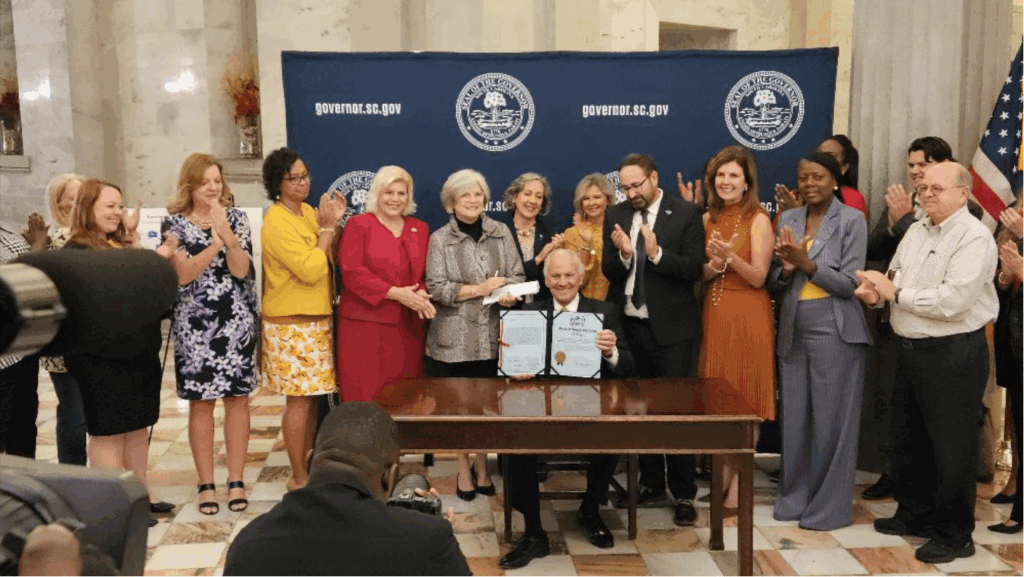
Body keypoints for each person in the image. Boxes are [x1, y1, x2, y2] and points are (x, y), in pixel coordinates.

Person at [854, 161, 998, 563]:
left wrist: (894, 293)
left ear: (963, 194)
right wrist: (875, 294)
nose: (927, 193)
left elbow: (953, 302)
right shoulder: (916, 229)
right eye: (924, 188)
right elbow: (895, 277)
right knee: (909, 438)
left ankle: (954, 534)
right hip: (911, 348)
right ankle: (915, 514)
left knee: (953, 448)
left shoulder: (974, 238)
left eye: (938, 187)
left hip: (954, 353)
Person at [499, 249, 634, 569]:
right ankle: (534, 532)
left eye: (568, 275)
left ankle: (590, 509)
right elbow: (508, 360)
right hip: (539, 407)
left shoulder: (604, 312)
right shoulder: (529, 313)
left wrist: (611, 350)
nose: (562, 282)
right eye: (555, 276)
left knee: (612, 432)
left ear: (581, 277)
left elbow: (628, 367)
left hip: (588, 405)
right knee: (513, 441)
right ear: (545, 280)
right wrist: (517, 367)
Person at [223, 403, 471, 576]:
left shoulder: (249, 542)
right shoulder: (428, 540)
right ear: (390, 477)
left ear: (309, 463)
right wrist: (426, 530)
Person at [62, 179, 177, 524]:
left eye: (119, 205)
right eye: (109, 206)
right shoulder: (75, 254)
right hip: (100, 359)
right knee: (108, 431)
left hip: (138, 352)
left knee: (138, 426)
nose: (118, 212)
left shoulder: (120, 247)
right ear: (88, 209)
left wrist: (135, 245)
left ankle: (139, 496)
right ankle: (115, 505)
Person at [769, 152, 871, 530]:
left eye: (818, 177)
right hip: (794, 325)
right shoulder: (789, 218)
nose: (810, 184)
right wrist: (788, 269)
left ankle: (828, 508)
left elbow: (850, 283)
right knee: (795, 419)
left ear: (834, 181)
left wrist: (808, 264)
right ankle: (794, 499)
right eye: (803, 177)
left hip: (835, 325)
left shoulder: (852, 220)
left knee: (831, 422)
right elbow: (775, 280)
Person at [602, 153, 704, 526]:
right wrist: (626, 256)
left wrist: (656, 253)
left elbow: (693, 268)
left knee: (675, 415)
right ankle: (651, 484)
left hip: (673, 333)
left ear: (654, 178)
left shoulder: (687, 213)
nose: (631, 193)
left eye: (637, 185)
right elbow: (608, 270)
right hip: (630, 329)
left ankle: (683, 493)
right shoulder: (616, 215)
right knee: (637, 411)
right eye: (625, 187)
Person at [859, 136, 956, 501]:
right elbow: (875, 249)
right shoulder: (903, 202)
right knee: (891, 404)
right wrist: (895, 222)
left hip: (938, 333)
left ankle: (929, 490)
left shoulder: (965, 211)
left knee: (930, 414)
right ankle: (891, 473)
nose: (916, 172)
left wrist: (901, 222)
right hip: (894, 319)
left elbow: (934, 259)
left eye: (924, 164)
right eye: (912, 165)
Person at [161, 153, 257, 514]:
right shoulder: (174, 224)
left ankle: (235, 480)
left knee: (237, 399)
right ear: (191, 186)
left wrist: (229, 236)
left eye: (217, 180)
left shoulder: (237, 218)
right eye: (206, 182)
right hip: (194, 325)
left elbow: (242, 269)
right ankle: (205, 483)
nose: (214, 188)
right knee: (201, 403)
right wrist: (214, 242)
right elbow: (183, 275)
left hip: (234, 322)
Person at [424, 168, 524, 500]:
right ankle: (463, 468)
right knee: (457, 410)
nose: (472, 200)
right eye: (465, 194)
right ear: (452, 201)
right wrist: (480, 288)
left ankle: (483, 465)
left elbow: (516, 274)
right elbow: (436, 288)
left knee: (486, 409)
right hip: (453, 341)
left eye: (477, 194)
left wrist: (508, 293)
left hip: (494, 338)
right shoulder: (439, 239)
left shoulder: (501, 232)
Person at [260, 147, 346, 491]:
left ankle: (306, 466)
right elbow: (311, 270)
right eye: (293, 178)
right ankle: (297, 476)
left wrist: (333, 225)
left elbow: (330, 260)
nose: (302, 182)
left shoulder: (308, 213)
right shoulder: (275, 221)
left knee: (310, 400)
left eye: (305, 175)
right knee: (297, 401)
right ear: (276, 184)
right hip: (291, 323)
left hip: (316, 318)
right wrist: (326, 231)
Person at [698, 145, 776, 509]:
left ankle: (737, 488)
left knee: (746, 401)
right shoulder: (707, 219)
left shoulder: (758, 218)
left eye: (734, 175)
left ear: (747, 182)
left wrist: (731, 258)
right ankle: (722, 478)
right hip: (715, 316)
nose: (726, 181)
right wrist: (714, 266)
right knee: (718, 404)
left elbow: (760, 277)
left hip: (748, 314)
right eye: (721, 175)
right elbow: (702, 275)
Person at [337, 165, 434, 402]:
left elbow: (422, 275)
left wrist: (420, 294)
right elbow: (352, 271)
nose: (395, 199)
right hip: (366, 329)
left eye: (401, 193)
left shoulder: (419, 229)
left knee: (406, 399)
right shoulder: (358, 225)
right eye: (389, 192)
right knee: (366, 397)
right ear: (377, 194)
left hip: (408, 329)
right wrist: (395, 293)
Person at [38, 173, 89, 466]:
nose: (82, 202)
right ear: (60, 204)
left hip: (84, 340)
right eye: (75, 197)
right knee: (74, 414)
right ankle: (73, 477)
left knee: (80, 413)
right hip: (66, 343)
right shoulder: (61, 238)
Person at [0, 222, 47, 458]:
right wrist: (37, 247)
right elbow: (10, 282)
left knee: (24, 425)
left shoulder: (6, 230)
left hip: (23, 347)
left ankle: (21, 490)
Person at [990, 200, 1023, 534]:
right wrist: (1005, 275)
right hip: (1013, 336)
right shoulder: (1013, 229)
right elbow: (1001, 285)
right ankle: (1017, 492)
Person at [499, 172, 563, 304]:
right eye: (527, 194)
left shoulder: (550, 234)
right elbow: (503, 275)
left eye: (538, 196)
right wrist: (540, 258)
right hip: (507, 310)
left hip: (542, 312)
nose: (533, 201)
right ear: (514, 197)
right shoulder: (498, 231)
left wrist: (558, 256)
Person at [773, 134, 868, 218]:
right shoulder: (795, 197)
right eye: (819, 155)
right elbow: (774, 235)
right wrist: (789, 214)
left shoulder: (852, 198)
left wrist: (799, 215)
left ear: (844, 167)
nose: (821, 160)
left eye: (829, 156)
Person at [563, 173, 614, 300]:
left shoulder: (619, 230)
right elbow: (577, 280)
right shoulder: (572, 234)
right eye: (586, 199)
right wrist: (588, 245)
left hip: (619, 302)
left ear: (607, 200)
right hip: (588, 304)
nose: (592, 203)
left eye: (597, 197)